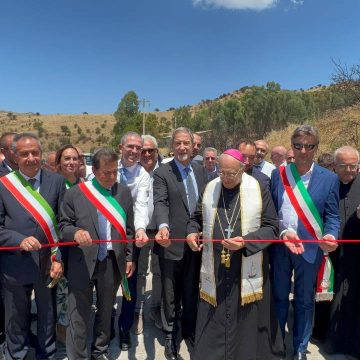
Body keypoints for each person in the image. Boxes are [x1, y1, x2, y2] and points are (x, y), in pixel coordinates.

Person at [186, 149, 284, 359]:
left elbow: (272, 227)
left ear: (242, 169)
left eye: (231, 174)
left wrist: (246, 242)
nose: (225, 178)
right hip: (216, 268)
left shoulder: (258, 189)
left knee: (247, 321)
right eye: (222, 173)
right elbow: (195, 218)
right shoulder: (210, 187)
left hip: (247, 265)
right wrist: (192, 232)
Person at [270, 125, 340, 360]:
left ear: (316, 148)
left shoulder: (329, 178)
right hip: (281, 247)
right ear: (292, 147)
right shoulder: (278, 174)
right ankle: (278, 344)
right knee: (279, 297)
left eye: (308, 146)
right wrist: (280, 234)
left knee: (304, 301)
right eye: (298, 146)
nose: (302, 151)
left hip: (310, 249)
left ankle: (300, 348)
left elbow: (332, 215)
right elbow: (271, 213)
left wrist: (330, 236)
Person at [59, 148, 135, 360]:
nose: (111, 177)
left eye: (114, 172)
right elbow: (63, 226)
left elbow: (128, 230)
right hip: (82, 261)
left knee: (105, 310)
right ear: (94, 170)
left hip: (111, 262)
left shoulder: (123, 192)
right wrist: (76, 232)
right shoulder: (75, 193)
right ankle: (78, 356)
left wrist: (129, 257)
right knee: (79, 314)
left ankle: (99, 351)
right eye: (106, 173)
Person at [0, 132, 65, 359]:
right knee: (16, 316)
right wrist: (19, 240)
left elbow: (63, 223)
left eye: (35, 153)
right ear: (14, 157)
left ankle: (47, 353)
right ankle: (16, 354)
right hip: (15, 264)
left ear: (41, 154)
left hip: (49, 263)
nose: (30, 158)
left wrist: (60, 259)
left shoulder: (56, 181)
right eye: (24, 154)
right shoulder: (3, 185)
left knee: (47, 315)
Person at [153, 127, 207, 360]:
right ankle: (169, 336)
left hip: (198, 243)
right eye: (179, 143)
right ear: (172, 146)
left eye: (187, 143)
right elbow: (161, 202)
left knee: (192, 290)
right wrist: (163, 226)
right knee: (170, 293)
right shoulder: (162, 173)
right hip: (171, 245)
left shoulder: (201, 170)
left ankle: (190, 330)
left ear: (194, 145)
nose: (183, 148)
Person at [325, 146, 360, 358]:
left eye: (353, 166)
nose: (348, 170)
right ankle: (329, 338)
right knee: (330, 295)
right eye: (343, 166)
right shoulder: (328, 184)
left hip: (357, 254)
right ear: (334, 166)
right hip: (332, 251)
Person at [117, 132, 150, 348]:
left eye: (138, 147)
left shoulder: (143, 175)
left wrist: (140, 229)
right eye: (130, 146)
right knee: (105, 285)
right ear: (120, 147)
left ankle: (124, 328)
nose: (135, 151)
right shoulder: (106, 167)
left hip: (130, 238)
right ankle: (102, 326)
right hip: (105, 238)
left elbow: (141, 205)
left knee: (130, 286)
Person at [54, 144, 82, 344]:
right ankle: (62, 331)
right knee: (62, 290)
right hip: (60, 244)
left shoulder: (86, 184)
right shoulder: (54, 184)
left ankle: (76, 326)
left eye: (75, 158)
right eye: (67, 158)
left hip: (81, 245)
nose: (71, 162)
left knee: (79, 290)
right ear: (59, 162)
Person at [139, 135, 162, 329]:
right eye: (143, 150)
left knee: (159, 271)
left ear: (157, 152)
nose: (147, 154)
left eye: (151, 150)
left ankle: (155, 307)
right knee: (138, 273)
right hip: (139, 233)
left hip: (160, 232)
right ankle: (137, 310)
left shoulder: (165, 171)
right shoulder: (132, 172)